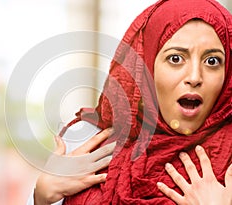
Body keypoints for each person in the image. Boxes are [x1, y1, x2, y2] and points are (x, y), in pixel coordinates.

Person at [28, 0, 232, 204]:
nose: (195, 77)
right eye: (176, 59)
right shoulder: (89, 144)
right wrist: (42, 196)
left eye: (212, 61)